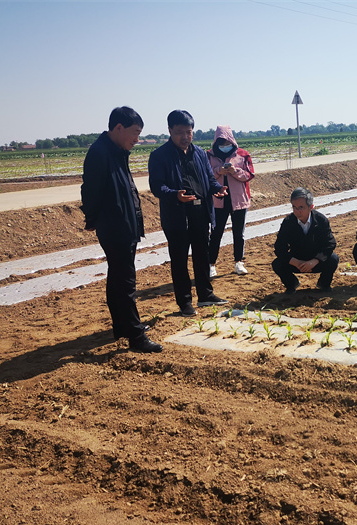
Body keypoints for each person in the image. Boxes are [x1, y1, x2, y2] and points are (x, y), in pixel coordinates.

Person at [81, 106, 162, 353]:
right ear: (118, 128)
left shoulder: (116, 151)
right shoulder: (99, 153)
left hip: (124, 224)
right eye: (135, 132)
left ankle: (122, 327)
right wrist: (94, 219)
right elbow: (90, 191)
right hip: (115, 226)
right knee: (125, 281)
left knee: (117, 278)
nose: (137, 139)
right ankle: (135, 336)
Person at [148, 110, 228, 317]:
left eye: (189, 132)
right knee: (180, 260)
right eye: (179, 132)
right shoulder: (159, 156)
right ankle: (185, 303)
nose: (185, 137)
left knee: (202, 255)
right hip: (176, 216)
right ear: (169, 131)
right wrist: (175, 195)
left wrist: (217, 189)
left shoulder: (200, 153)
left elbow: (209, 179)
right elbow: (157, 186)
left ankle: (205, 295)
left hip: (201, 212)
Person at [206, 125, 255, 277]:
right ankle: (211, 264)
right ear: (216, 142)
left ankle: (238, 262)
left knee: (239, 233)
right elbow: (205, 176)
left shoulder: (242, 155)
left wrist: (235, 171)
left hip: (238, 200)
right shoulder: (209, 156)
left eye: (227, 143)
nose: (225, 146)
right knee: (215, 233)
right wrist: (218, 171)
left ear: (232, 141)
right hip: (218, 201)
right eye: (221, 143)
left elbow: (250, 175)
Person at [272, 187, 338, 294]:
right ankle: (291, 284)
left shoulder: (321, 220)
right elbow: (279, 248)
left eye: (301, 207)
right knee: (277, 263)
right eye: (294, 207)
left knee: (333, 259)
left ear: (310, 207)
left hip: (316, 261)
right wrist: (295, 262)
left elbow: (330, 244)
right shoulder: (288, 222)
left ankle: (324, 284)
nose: (297, 211)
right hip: (297, 261)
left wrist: (315, 261)